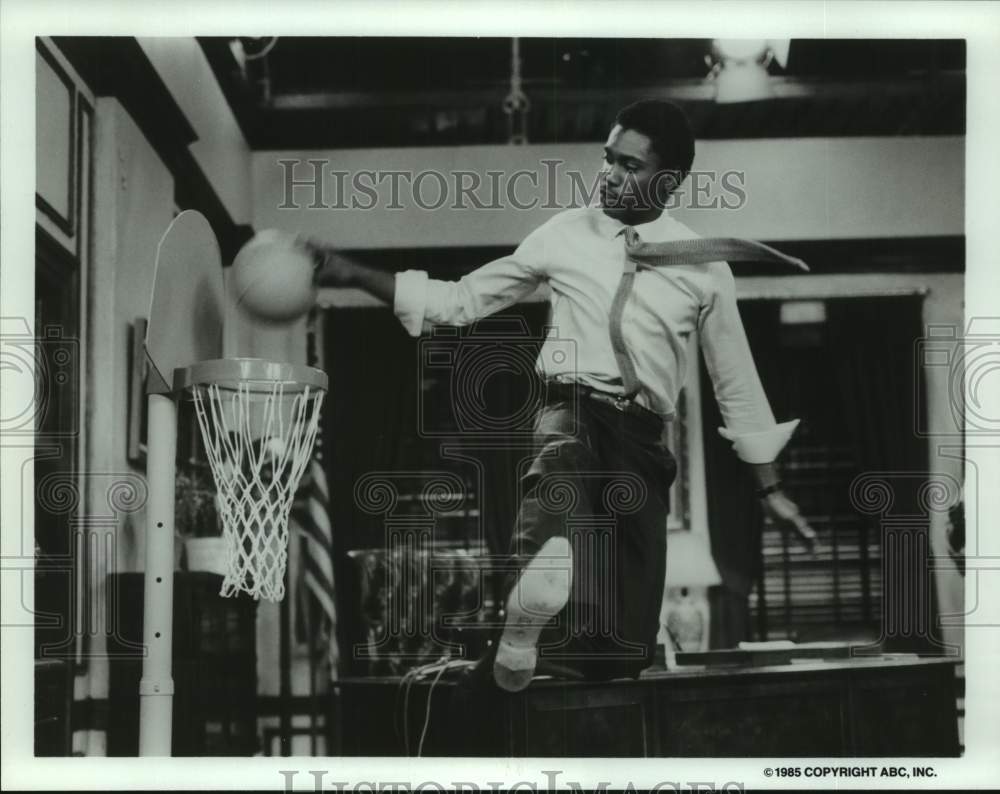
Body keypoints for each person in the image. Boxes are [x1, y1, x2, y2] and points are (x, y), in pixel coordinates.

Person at [310, 99, 817, 691]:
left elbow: (736, 383)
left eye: (629, 165)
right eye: (607, 159)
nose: (609, 174)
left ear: (669, 180)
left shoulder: (705, 269)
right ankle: (523, 624)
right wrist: (351, 274)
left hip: (643, 440)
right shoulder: (564, 234)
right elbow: (461, 300)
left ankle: (590, 673)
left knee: (625, 642)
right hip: (570, 409)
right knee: (557, 484)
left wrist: (771, 489)